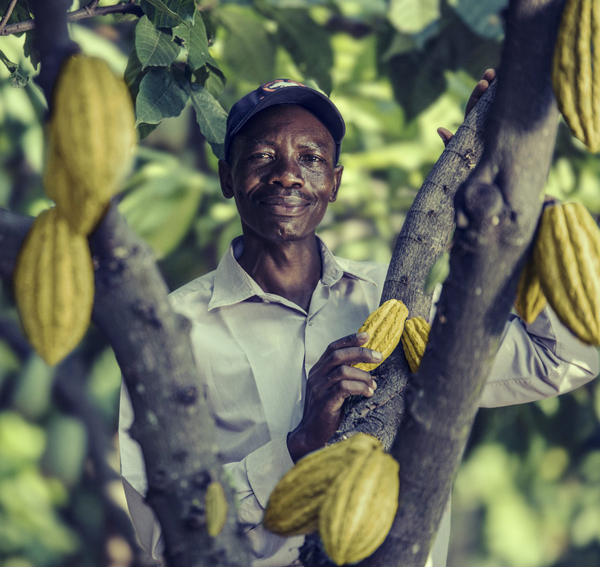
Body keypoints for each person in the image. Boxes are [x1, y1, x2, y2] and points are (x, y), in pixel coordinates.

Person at [119, 76, 600, 567]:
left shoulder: (396, 302)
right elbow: (163, 530)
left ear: (334, 182)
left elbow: (568, 357)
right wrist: (297, 446)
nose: (288, 175)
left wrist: (519, 210)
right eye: (263, 156)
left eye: (310, 159)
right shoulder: (171, 330)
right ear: (227, 177)